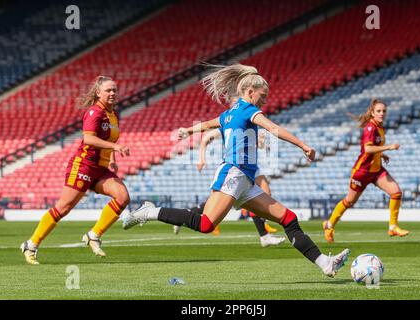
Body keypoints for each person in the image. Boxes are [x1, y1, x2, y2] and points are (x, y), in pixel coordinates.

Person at [123, 64, 350, 277]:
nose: (265, 99)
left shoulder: (229, 113)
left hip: (246, 182)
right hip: (233, 174)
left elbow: (209, 124)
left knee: (288, 219)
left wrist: (189, 131)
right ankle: (150, 212)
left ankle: (325, 263)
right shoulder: (248, 110)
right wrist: (303, 145)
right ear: (250, 91)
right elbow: (272, 128)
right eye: (263, 95)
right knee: (205, 224)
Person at [20, 76, 131, 264]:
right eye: (108, 90)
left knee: (123, 197)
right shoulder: (94, 113)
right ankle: (31, 245)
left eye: (114, 90)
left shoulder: (113, 114)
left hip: (101, 168)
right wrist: (115, 148)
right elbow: (88, 139)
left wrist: (111, 158)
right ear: (98, 93)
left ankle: (93, 236)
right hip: (84, 165)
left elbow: (110, 140)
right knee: (64, 208)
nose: (112, 93)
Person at [173, 127, 285, 247]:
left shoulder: (249, 124)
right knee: (223, 202)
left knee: (265, 193)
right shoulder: (228, 124)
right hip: (235, 167)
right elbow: (206, 138)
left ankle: (264, 236)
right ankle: (185, 215)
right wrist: (201, 159)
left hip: (251, 167)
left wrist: (261, 142)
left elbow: (259, 145)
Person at [322, 99, 410, 243]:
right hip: (362, 172)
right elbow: (368, 149)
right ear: (373, 113)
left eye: (384, 111)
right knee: (349, 201)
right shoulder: (370, 128)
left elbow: (373, 149)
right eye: (379, 111)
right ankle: (329, 226)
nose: (382, 114)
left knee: (396, 192)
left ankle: (393, 227)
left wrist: (382, 155)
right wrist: (388, 148)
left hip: (376, 170)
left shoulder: (380, 127)